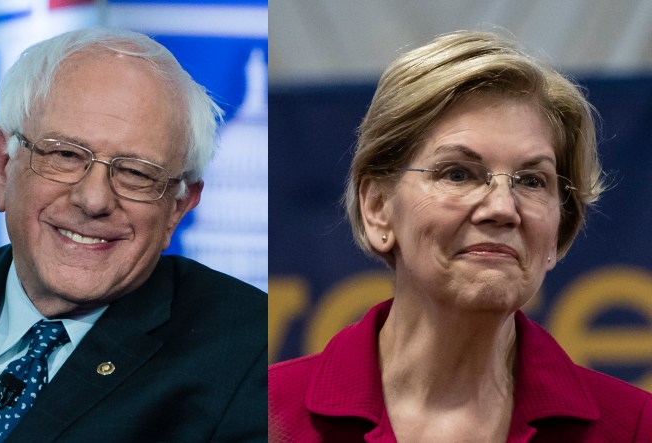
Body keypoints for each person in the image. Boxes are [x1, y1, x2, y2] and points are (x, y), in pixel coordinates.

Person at [0, 28, 266, 442]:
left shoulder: (245, 356)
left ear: (177, 207)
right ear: (1, 165)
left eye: (136, 173)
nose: (94, 199)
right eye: (65, 155)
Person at [269, 30, 652, 442]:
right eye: (458, 174)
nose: (503, 208)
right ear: (378, 207)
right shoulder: (273, 413)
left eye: (531, 180)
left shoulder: (633, 426)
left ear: (560, 225)